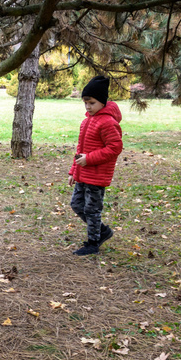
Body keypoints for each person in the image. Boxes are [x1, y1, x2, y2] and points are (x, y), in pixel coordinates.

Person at [68, 75, 123, 256]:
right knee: (77, 205)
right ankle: (102, 231)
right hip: (83, 173)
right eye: (85, 103)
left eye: (91, 103)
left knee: (92, 210)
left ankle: (93, 243)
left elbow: (115, 148)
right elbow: (80, 149)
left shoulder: (108, 122)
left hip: (97, 175)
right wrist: (73, 171)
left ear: (102, 102)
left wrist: (89, 159)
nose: (87, 107)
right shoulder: (87, 121)